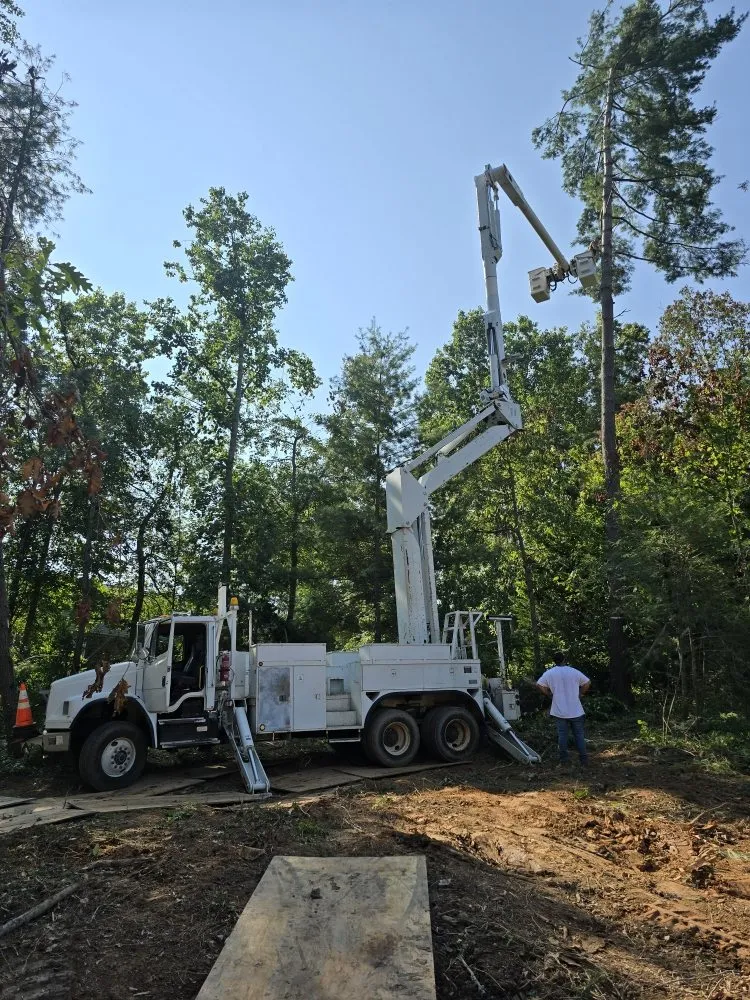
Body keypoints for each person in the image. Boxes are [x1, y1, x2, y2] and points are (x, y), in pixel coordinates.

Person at [536, 651, 591, 766]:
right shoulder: (573, 671)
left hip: (559, 711)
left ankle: (564, 760)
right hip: (576, 710)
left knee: (562, 735)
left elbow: (539, 685)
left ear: (554, 661)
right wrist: (580, 694)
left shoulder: (549, 673)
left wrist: (549, 694)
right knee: (579, 735)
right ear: (564, 659)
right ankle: (584, 759)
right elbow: (587, 682)